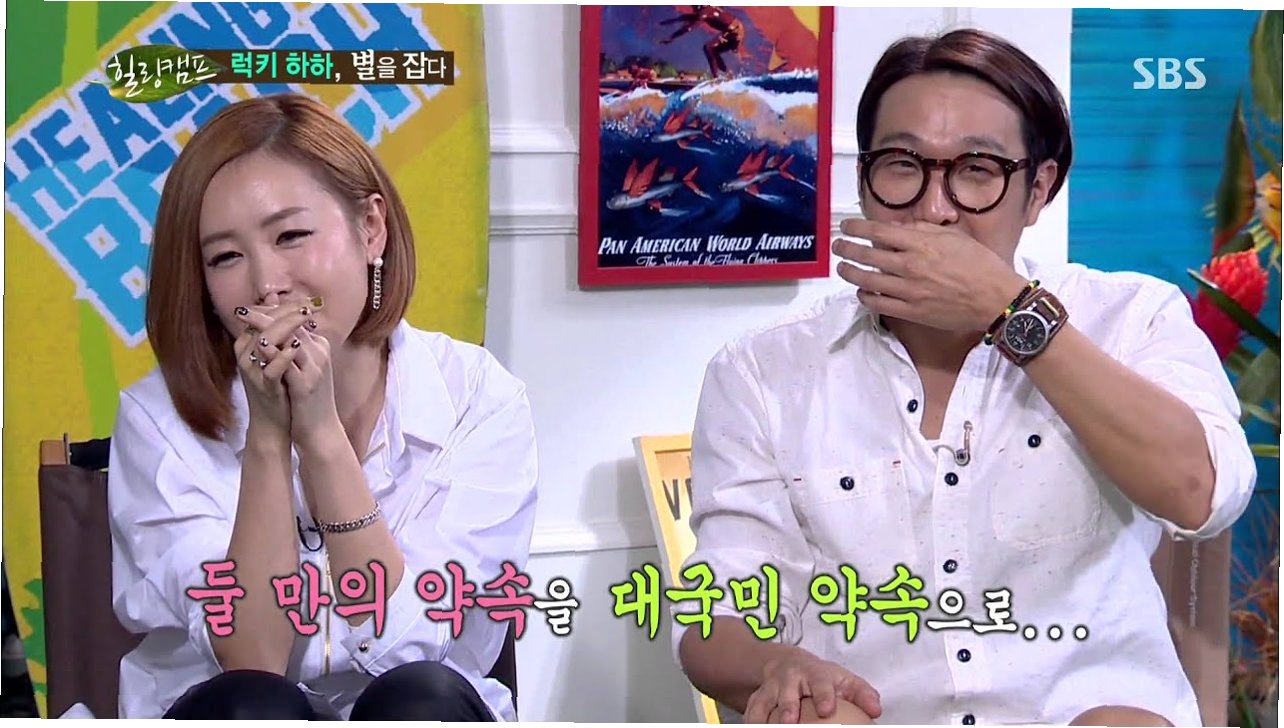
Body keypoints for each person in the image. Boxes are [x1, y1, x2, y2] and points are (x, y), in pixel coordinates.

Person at [673, 28, 1256, 726]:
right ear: (864, 179)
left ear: (1038, 190)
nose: (935, 208)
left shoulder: (1131, 317)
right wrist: (774, 665)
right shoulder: (763, 372)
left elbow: (1203, 493)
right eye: (902, 165)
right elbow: (717, 613)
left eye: (978, 170)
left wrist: (1011, 313)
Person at [108, 92, 538, 721]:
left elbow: (410, 648)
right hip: (231, 707)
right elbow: (251, 659)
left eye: (292, 235)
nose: (266, 284)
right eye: (226, 257)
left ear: (371, 228)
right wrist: (268, 436)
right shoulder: (157, 418)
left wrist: (322, 438)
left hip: (419, 704)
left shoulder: (478, 397)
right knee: (250, 704)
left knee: (420, 696)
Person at [659, 6, 746, 78]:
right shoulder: (708, 10)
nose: (693, 8)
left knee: (708, 48)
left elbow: (689, 27)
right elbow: (689, 17)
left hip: (734, 31)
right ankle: (727, 75)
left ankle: (717, 77)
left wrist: (672, 37)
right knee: (713, 50)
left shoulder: (705, 13)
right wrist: (671, 21)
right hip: (736, 30)